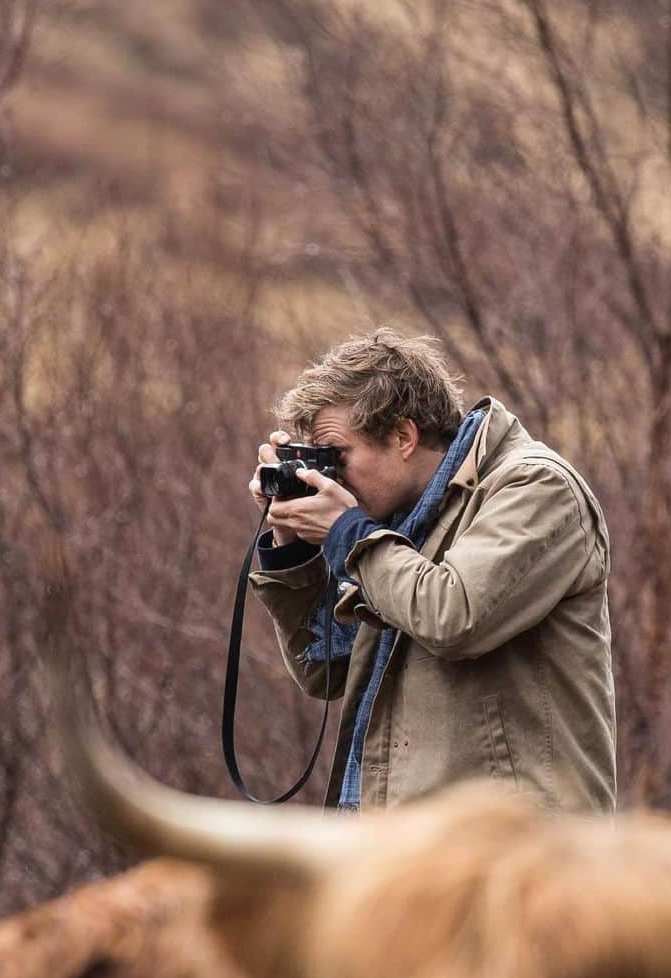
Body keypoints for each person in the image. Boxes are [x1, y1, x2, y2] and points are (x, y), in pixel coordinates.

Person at [247, 328, 616, 813]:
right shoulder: (392, 519)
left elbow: (453, 616)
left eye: (337, 456)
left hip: (516, 860)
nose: (330, 478)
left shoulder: (537, 486)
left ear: (404, 436)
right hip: (403, 849)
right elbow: (326, 668)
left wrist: (346, 532)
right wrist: (291, 543)